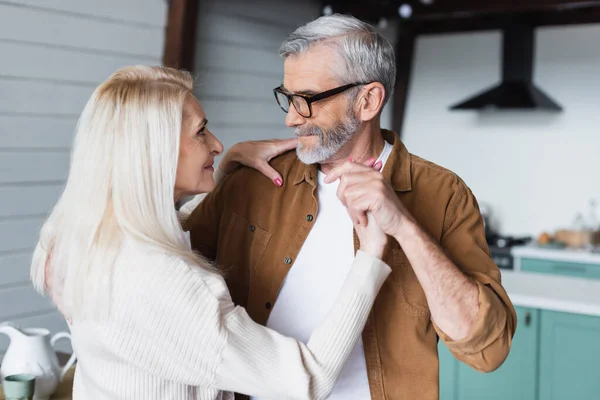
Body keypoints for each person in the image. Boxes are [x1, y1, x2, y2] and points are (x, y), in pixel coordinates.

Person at [184, 14, 517, 400]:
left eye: (307, 100)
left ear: (368, 100)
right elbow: (164, 260)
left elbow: (488, 350)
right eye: (288, 98)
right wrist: (222, 173)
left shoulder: (444, 196)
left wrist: (405, 227)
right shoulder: (255, 178)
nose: (292, 118)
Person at [30, 65, 393, 400]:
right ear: (154, 151)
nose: (217, 144)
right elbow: (307, 378)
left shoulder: (76, 237)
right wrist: (371, 254)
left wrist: (223, 168)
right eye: (201, 132)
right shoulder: (165, 283)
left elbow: (161, 230)